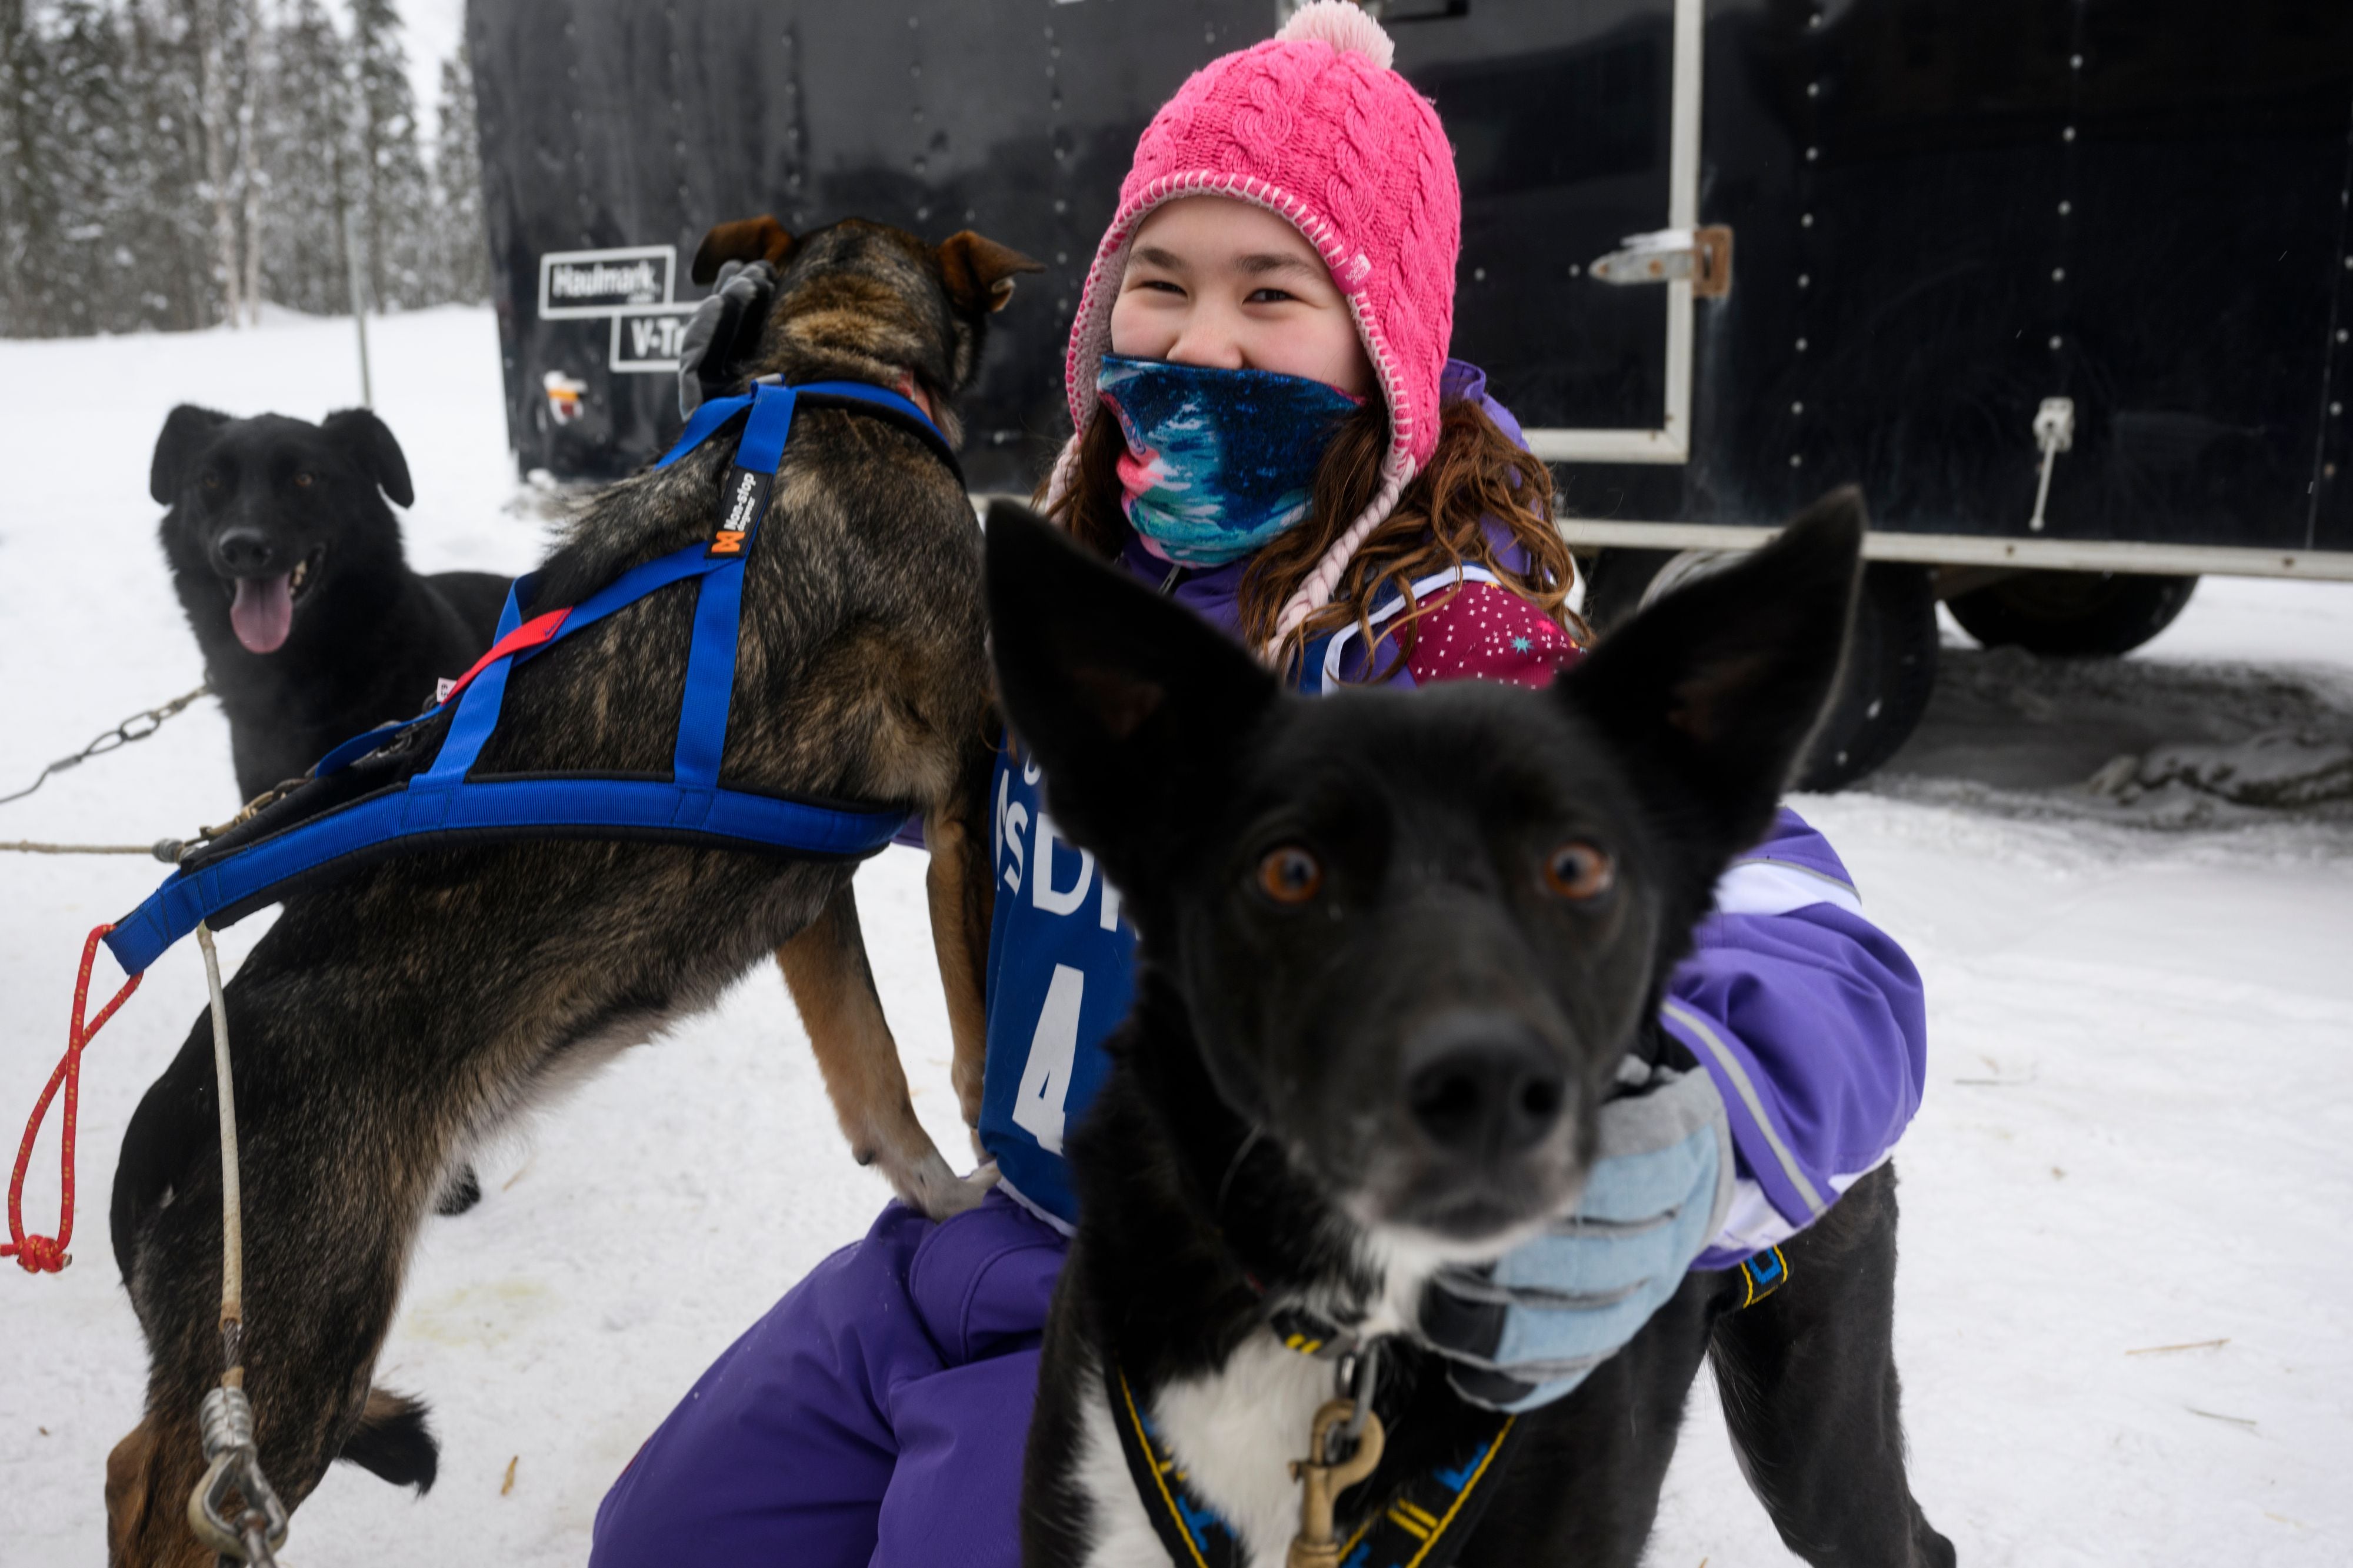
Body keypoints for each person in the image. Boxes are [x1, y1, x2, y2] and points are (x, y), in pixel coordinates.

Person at [593, 6, 1924, 1563]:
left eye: (1272, 294)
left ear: (1382, 350)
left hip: (1211, 1313)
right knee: (661, 1534)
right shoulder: (1084, 584)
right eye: (1159, 283)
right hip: (967, 1234)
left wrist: (1696, 1119)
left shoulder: (1446, 644)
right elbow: (888, 790)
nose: (1199, 341)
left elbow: (1792, 918)